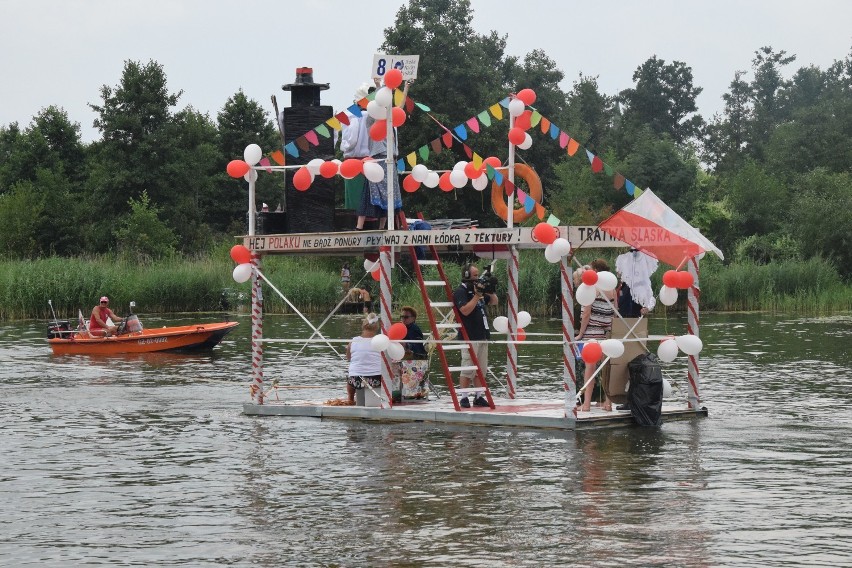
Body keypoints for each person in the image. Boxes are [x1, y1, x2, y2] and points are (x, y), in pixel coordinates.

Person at [362, 80, 411, 230]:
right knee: (372, 194)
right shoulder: (372, 118)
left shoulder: (390, 119)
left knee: (390, 195)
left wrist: (407, 87)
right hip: (378, 158)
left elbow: (400, 109)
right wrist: (378, 86)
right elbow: (380, 102)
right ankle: (361, 226)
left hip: (391, 159)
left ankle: (384, 226)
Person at [453, 263, 498, 408]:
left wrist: (489, 289)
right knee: (468, 368)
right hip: (469, 336)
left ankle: (479, 396)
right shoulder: (461, 291)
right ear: (466, 276)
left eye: (478, 275)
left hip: (482, 334)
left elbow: (494, 302)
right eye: (475, 276)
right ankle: (464, 397)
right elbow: (465, 310)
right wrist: (477, 295)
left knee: (481, 369)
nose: (477, 279)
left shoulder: (477, 290)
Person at [574, 259, 617, 412]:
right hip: (608, 331)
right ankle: (608, 403)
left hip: (592, 330)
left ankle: (586, 405)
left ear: (596, 271)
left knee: (590, 367)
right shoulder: (612, 288)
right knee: (606, 369)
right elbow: (615, 311)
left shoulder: (592, 287)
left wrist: (580, 333)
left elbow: (586, 313)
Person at [340, 83, 373, 226]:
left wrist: (344, 148)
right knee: (371, 195)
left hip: (353, 161)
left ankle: (355, 223)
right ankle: (373, 221)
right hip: (372, 161)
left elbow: (351, 140)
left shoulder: (351, 116)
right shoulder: (379, 114)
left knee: (355, 199)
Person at [346, 313, 382, 405]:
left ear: (363, 326)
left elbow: (349, 358)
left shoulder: (353, 341)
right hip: (376, 380)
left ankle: (350, 398)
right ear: (376, 327)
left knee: (352, 372)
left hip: (356, 380)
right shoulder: (380, 341)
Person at [615, 247, 658, 317]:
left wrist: (646, 307)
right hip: (621, 318)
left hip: (635, 318)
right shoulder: (622, 285)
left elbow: (650, 297)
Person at [398, 306, 429, 400]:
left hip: (415, 358)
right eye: (402, 317)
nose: (403, 319)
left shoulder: (415, 329)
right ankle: (395, 391)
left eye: (406, 317)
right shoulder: (401, 328)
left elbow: (418, 346)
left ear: (413, 318)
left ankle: (409, 392)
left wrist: (407, 345)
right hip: (402, 356)